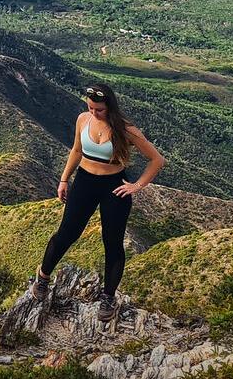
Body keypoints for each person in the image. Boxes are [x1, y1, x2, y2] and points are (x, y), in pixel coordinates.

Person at [27, 82, 165, 320]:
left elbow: (156, 160)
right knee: (66, 234)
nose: (94, 113)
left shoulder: (127, 130)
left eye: (98, 110)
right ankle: (43, 277)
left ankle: (108, 297)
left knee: (112, 243)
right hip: (84, 182)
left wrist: (137, 185)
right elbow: (77, 150)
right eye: (90, 108)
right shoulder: (83, 120)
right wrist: (63, 180)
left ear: (109, 107)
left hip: (115, 187)